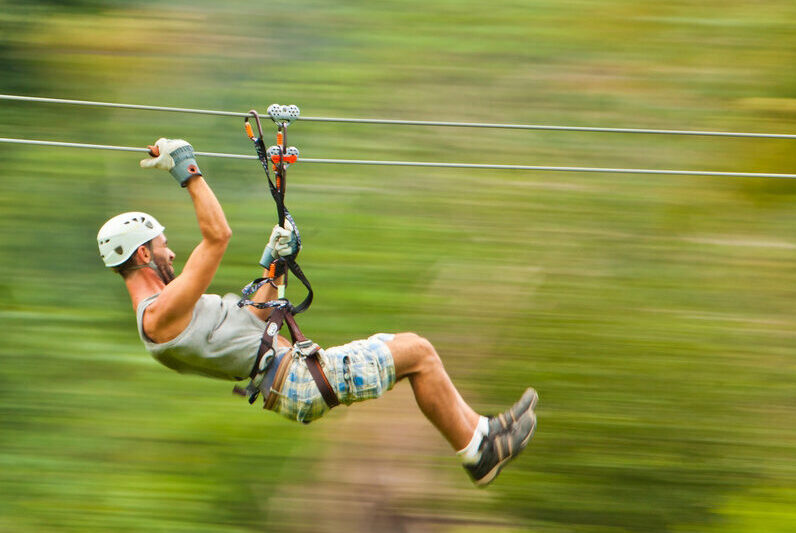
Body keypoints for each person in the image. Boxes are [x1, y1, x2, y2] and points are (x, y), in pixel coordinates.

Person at [97, 138, 538, 487]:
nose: (171, 252)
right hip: (301, 379)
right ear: (141, 256)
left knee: (401, 349)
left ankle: (481, 434)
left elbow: (256, 318)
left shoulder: (176, 313)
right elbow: (217, 237)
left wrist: (277, 262)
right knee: (417, 351)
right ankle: (477, 450)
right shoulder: (158, 317)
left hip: (296, 377)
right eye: (161, 246)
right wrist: (187, 170)